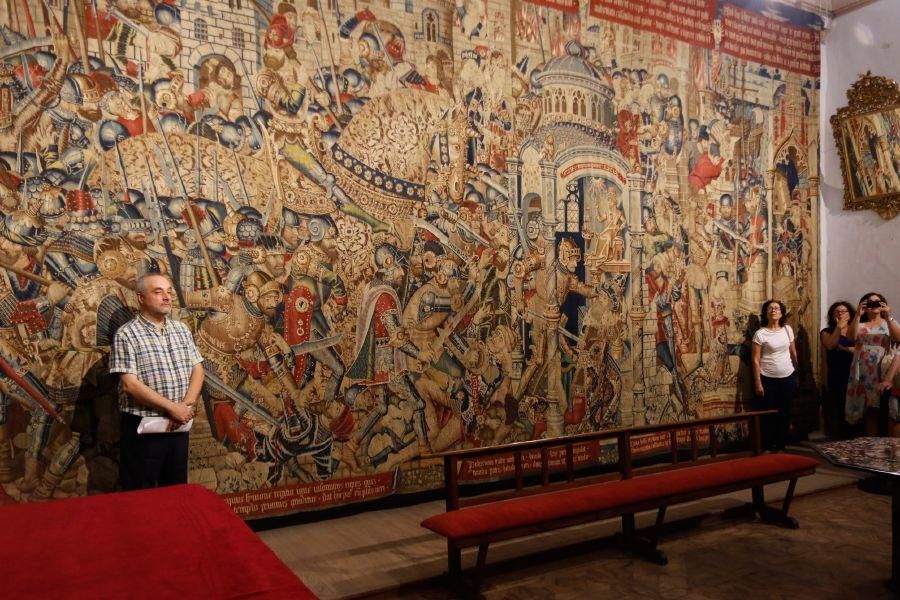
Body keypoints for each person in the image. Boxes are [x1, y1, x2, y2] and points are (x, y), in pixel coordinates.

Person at [109, 273, 205, 490]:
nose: (167, 297)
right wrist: (173, 408)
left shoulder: (181, 330)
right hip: (144, 429)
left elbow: (197, 368)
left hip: (178, 426)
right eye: (158, 291)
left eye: (169, 291)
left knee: (176, 490)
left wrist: (187, 405)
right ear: (140, 298)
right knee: (141, 492)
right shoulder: (127, 334)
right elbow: (129, 384)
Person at [846, 292, 900, 435]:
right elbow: (850, 337)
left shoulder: (889, 322)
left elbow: (898, 337)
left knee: (887, 408)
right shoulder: (860, 323)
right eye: (870, 302)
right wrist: (857, 315)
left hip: (883, 368)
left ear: (883, 305)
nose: (874, 305)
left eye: (878, 302)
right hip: (863, 369)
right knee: (870, 409)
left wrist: (888, 317)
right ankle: (871, 445)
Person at [751, 299, 798, 451]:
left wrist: (797, 371)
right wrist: (758, 382)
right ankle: (767, 445)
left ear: (782, 312)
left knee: (785, 412)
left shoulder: (787, 329)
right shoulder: (761, 334)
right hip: (768, 378)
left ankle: (781, 445)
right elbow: (756, 359)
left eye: (777, 308)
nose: (773, 311)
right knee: (768, 414)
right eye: (770, 308)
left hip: (787, 376)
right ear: (765, 313)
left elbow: (793, 352)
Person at [820, 301, 856, 438]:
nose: (840, 314)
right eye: (837, 311)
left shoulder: (856, 329)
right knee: (840, 407)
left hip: (856, 373)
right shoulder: (827, 331)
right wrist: (839, 327)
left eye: (844, 311)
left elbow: (862, 349)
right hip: (837, 374)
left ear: (850, 314)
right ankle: (842, 438)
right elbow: (831, 345)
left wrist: (845, 349)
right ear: (832, 315)